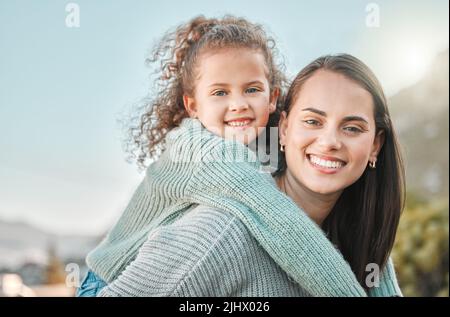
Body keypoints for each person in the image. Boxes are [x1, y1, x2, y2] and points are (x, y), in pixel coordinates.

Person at [78, 50, 404, 296]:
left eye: (351, 127)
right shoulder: (222, 233)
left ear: (375, 145)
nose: (330, 142)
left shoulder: (359, 238)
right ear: (286, 128)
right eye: (313, 121)